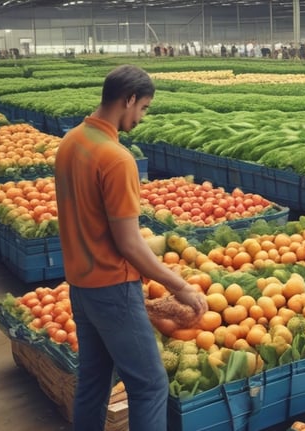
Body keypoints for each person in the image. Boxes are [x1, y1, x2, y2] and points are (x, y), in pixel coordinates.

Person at [54, 65, 207, 431]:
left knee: (93, 381)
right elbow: (129, 243)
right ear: (130, 99)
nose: (142, 118)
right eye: (144, 109)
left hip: (81, 285)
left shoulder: (71, 141)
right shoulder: (117, 158)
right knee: (150, 386)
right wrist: (180, 285)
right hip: (113, 290)